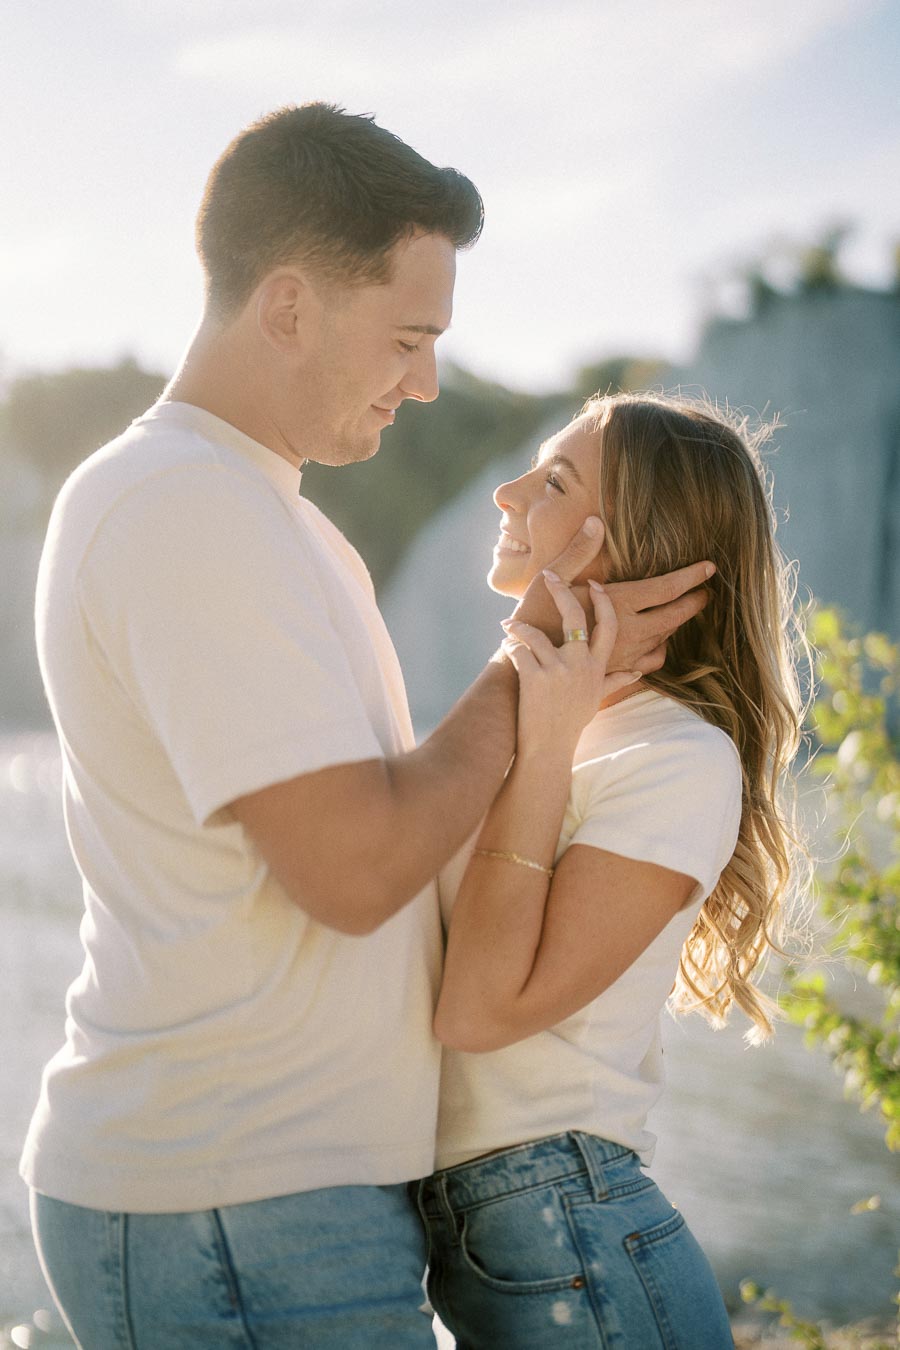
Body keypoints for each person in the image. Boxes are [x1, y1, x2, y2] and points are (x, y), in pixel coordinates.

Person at [20, 105, 713, 1348]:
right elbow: (353, 869)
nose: (428, 380)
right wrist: (530, 669)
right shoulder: (187, 506)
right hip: (235, 1202)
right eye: (408, 336)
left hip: (269, 1195)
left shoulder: (265, 517)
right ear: (289, 308)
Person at [418, 392, 808, 1349]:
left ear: (642, 547)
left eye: (553, 481)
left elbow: (480, 1011)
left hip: (566, 1220)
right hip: (509, 1229)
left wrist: (544, 746)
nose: (507, 491)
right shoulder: (554, 726)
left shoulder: (674, 756)